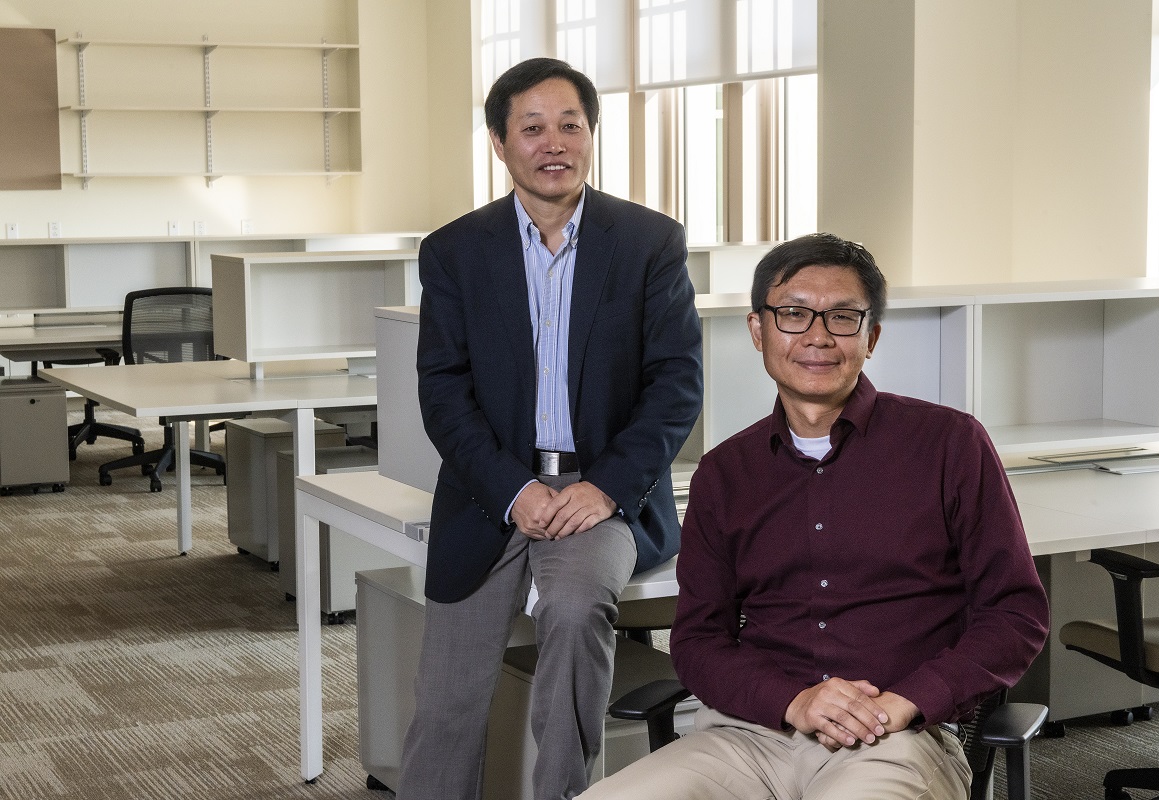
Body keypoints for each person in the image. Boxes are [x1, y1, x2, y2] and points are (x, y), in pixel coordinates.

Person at [579, 233, 1049, 800]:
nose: (819, 337)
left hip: (895, 737)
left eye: (843, 318)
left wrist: (908, 701)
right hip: (749, 736)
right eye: (794, 314)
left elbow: (1015, 613)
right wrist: (794, 700)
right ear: (758, 331)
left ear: (870, 336)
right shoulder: (724, 473)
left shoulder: (949, 444)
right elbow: (699, 640)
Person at [395, 57, 704, 800]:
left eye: (570, 124)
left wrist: (604, 487)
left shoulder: (647, 243)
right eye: (532, 127)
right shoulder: (455, 252)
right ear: (501, 144)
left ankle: (560, 794)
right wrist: (511, 490)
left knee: (572, 609)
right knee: (447, 697)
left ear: (592, 134)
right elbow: (443, 392)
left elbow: (676, 383)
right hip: (489, 489)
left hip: (601, 490)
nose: (554, 141)